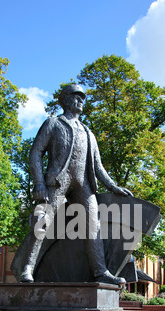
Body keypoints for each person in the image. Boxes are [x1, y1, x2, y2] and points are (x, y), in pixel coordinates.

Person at [11, 84, 133, 285]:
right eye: (76, 97)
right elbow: (36, 153)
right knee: (43, 222)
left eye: (82, 98)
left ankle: (100, 272)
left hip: (83, 183)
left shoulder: (88, 133)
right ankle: (27, 268)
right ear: (65, 100)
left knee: (93, 225)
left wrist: (113, 187)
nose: (80, 101)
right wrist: (39, 183)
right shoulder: (53, 123)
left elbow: (98, 167)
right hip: (57, 181)